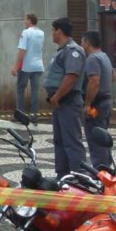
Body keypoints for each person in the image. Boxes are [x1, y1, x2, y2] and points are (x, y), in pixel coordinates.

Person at [44, 17, 87, 178]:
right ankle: (62, 174)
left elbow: (71, 76)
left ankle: (78, 176)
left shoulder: (73, 51)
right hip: (59, 103)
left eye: (53, 30)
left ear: (59, 31)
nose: (52, 34)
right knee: (60, 140)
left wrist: (57, 96)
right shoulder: (62, 51)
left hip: (68, 101)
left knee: (71, 141)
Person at [81, 30, 114, 169]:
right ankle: (106, 164)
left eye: (82, 42)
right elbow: (114, 76)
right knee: (102, 134)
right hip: (107, 101)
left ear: (87, 43)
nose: (81, 45)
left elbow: (94, 81)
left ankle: (101, 170)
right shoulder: (104, 56)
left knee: (95, 137)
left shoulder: (92, 59)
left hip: (96, 105)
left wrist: (88, 104)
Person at [11, 13, 45, 121]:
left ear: (30, 20)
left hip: (26, 66)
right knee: (34, 91)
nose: (24, 22)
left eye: (25, 19)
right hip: (38, 66)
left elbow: (22, 50)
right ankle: (34, 115)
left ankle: (20, 115)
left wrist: (15, 67)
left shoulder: (26, 33)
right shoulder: (41, 33)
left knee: (20, 90)